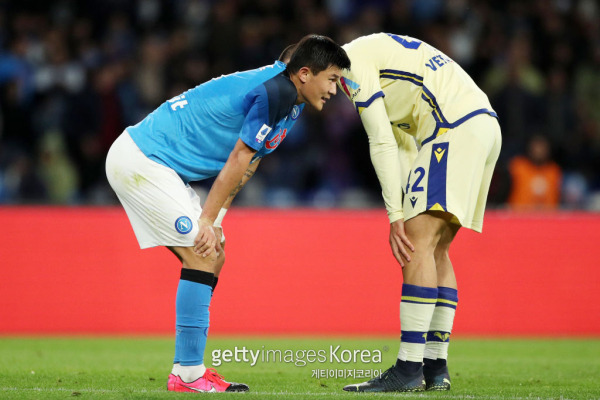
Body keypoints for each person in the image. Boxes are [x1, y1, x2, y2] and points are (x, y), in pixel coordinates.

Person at [105, 35, 350, 393]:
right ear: (304, 73)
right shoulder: (275, 93)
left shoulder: (290, 102)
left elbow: (248, 165)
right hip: (142, 160)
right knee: (202, 254)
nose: (335, 89)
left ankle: (188, 368)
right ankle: (188, 374)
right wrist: (205, 220)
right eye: (331, 79)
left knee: (213, 256)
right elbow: (237, 157)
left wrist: (215, 221)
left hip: (160, 166)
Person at [338, 33, 501, 392]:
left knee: (415, 243)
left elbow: (380, 140)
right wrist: (407, 203)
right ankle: (435, 366)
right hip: (482, 124)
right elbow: (405, 145)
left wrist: (396, 215)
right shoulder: (378, 59)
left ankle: (408, 367)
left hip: (452, 127)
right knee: (436, 248)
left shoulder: (349, 67)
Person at [508, 135, 561, 209]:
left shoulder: (554, 170)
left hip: (548, 216)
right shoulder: (518, 166)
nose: (539, 151)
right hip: (518, 215)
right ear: (530, 148)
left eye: (542, 147)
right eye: (536, 147)